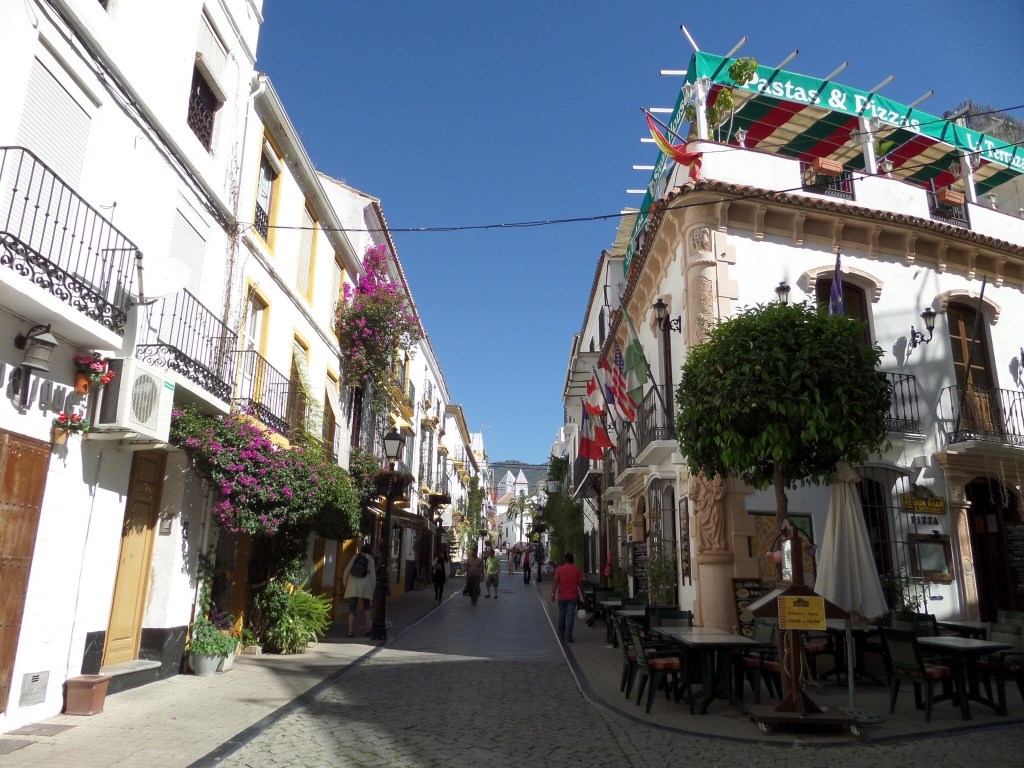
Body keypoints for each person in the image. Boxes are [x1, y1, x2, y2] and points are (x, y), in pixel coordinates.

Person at [550, 552, 584, 643]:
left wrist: (553, 594)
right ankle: (568, 637)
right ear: (573, 560)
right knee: (570, 617)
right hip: (573, 596)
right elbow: (580, 584)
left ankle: (561, 633)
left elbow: (555, 582)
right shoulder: (577, 570)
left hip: (562, 596)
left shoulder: (560, 570)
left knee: (562, 615)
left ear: (565, 560)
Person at [342, 544, 375, 638]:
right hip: (366, 586)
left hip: (353, 585)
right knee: (367, 607)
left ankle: (350, 631)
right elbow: (373, 576)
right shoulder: (370, 559)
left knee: (352, 608)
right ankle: (368, 629)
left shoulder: (355, 557)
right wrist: (373, 589)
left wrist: (345, 583)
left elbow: (347, 570)